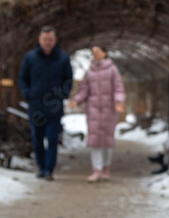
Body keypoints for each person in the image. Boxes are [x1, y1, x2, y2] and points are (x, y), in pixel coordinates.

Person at [18, 26, 73, 180]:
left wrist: (63, 94)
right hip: (36, 106)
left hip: (54, 107)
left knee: (52, 139)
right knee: (37, 139)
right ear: (39, 40)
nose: (47, 42)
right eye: (45, 39)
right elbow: (22, 78)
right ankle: (41, 167)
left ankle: (49, 169)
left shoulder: (63, 58)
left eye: (50, 39)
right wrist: (28, 94)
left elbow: (68, 79)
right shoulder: (30, 58)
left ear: (54, 40)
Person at [69, 46, 125, 182]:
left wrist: (119, 101)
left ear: (104, 53)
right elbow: (84, 91)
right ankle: (96, 170)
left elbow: (118, 87)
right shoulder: (89, 72)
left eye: (98, 51)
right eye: (93, 52)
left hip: (109, 109)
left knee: (107, 141)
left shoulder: (112, 69)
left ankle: (106, 168)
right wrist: (76, 100)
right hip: (93, 110)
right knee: (94, 141)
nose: (95, 54)